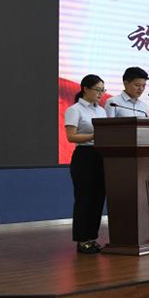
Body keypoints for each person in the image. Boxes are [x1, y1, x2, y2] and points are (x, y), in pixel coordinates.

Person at [63, 75, 109, 255]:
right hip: (84, 156)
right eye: (98, 90)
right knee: (85, 198)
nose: (101, 94)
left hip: (101, 156)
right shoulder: (74, 110)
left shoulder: (102, 111)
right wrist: (94, 136)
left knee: (98, 198)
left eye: (103, 90)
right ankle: (82, 240)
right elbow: (71, 136)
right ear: (85, 89)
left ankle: (92, 238)